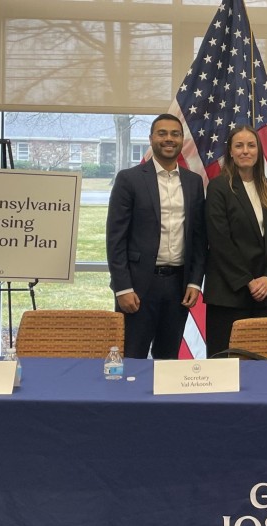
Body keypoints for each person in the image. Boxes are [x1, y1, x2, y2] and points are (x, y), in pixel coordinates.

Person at [106, 113, 207, 359]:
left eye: (175, 134)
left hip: (178, 287)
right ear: (151, 138)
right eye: (162, 133)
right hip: (139, 287)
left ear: (182, 139)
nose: (168, 139)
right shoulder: (129, 179)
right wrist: (123, 288)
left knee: (168, 360)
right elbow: (115, 238)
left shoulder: (193, 182)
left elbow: (198, 237)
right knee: (132, 357)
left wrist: (194, 281)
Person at [203, 124, 267, 357]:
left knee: (256, 362)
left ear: (258, 151)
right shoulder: (219, 187)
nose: (245, 151)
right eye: (239, 146)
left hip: (262, 292)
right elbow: (220, 242)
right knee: (223, 363)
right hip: (229, 292)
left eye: (250, 145)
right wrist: (248, 281)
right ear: (230, 151)